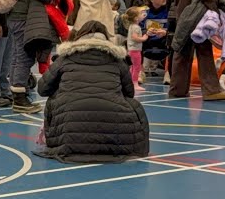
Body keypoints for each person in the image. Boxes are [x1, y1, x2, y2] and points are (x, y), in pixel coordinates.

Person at [35, 20, 150, 163]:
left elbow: (42, 89)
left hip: (69, 131)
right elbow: (129, 93)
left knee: (53, 100)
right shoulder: (118, 60)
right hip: (116, 131)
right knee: (133, 104)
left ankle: (57, 140)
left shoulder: (64, 58)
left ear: (79, 37)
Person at [168, 0, 225, 101]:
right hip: (198, 20)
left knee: (181, 55)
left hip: (182, 20)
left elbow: (174, 1)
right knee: (204, 53)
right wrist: (216, 14)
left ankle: (177, 90)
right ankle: (211, 91)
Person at [2, 0, 54, 113]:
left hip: (13, 18)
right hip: (24, 19)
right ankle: (20, 98)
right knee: (25, 57)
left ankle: (17, 93)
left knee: (17, 56)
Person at [141, 0, 170, 83]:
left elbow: (176, 29)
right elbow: (137, 28)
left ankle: (169, 73)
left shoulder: (169, 11)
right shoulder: (143, 12)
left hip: (164, 42)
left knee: (174, 41)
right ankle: (139, 73)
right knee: (135, 41)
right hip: (147, 42)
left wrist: (166, 32)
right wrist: (145, 32)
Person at [122, 6, 147, 91]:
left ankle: (131, 82)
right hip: (135, 50)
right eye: (140, 13)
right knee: (137, 67)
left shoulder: (132, 26)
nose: (143, 15)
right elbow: (135, 37)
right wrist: (144, 38)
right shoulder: (136, 27)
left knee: (132, 67)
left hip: (132, 50)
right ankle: (135, 83)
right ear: (136, 18)